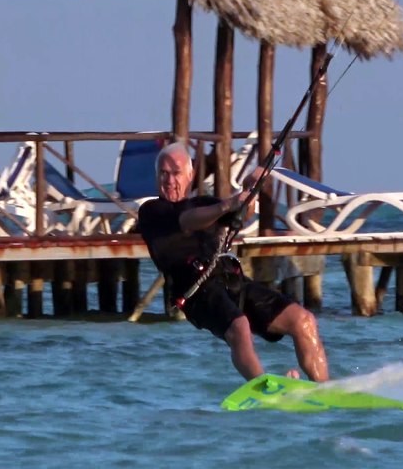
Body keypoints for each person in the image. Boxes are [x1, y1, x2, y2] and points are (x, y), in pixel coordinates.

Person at [136, 143, 329, 382]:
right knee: (240, 326)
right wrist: (227, 204)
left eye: (175, 173)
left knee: (303, 320)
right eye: (163, 173)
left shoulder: (204, 203)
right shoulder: (152, 211)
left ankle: (324, 389)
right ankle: (263, 386)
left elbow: (241, 213)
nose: (169, 180)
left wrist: (250, 189)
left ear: (190, 174)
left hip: (232, 280)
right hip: (197, 292)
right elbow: (187, 221)